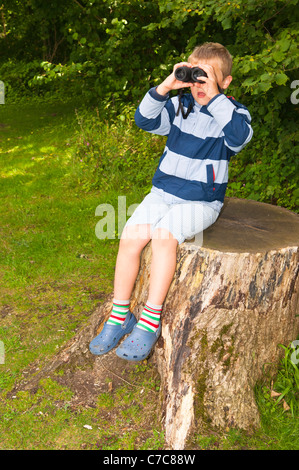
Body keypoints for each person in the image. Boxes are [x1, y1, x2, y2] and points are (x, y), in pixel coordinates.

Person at [89, 42, 253, 361]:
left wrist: (215, 97)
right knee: (130, 238)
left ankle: (149, 322)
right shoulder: (179, 106)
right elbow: (144, 120)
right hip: (162, 193)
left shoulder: (233, 113)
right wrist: (167, 86)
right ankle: (120, 315)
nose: (199, 84)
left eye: (208, 77)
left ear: (226, 82)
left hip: (201, 201)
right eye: (195, 76)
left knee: (164, 238)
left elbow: (239, 137)